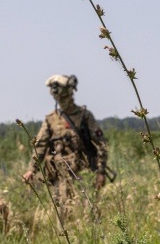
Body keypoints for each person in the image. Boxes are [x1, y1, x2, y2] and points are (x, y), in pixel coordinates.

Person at [21, 74, 109, 210]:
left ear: (70, 94)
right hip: (59, 176)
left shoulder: (84, 116)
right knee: (62, 215)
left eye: (64, 97)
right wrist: (32, 169)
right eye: (58, 98)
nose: (61, 100)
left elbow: (101, 144)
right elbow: (40, 145)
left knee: (87, 212)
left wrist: (101, 171)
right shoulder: (50, 119)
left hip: (82, 173)